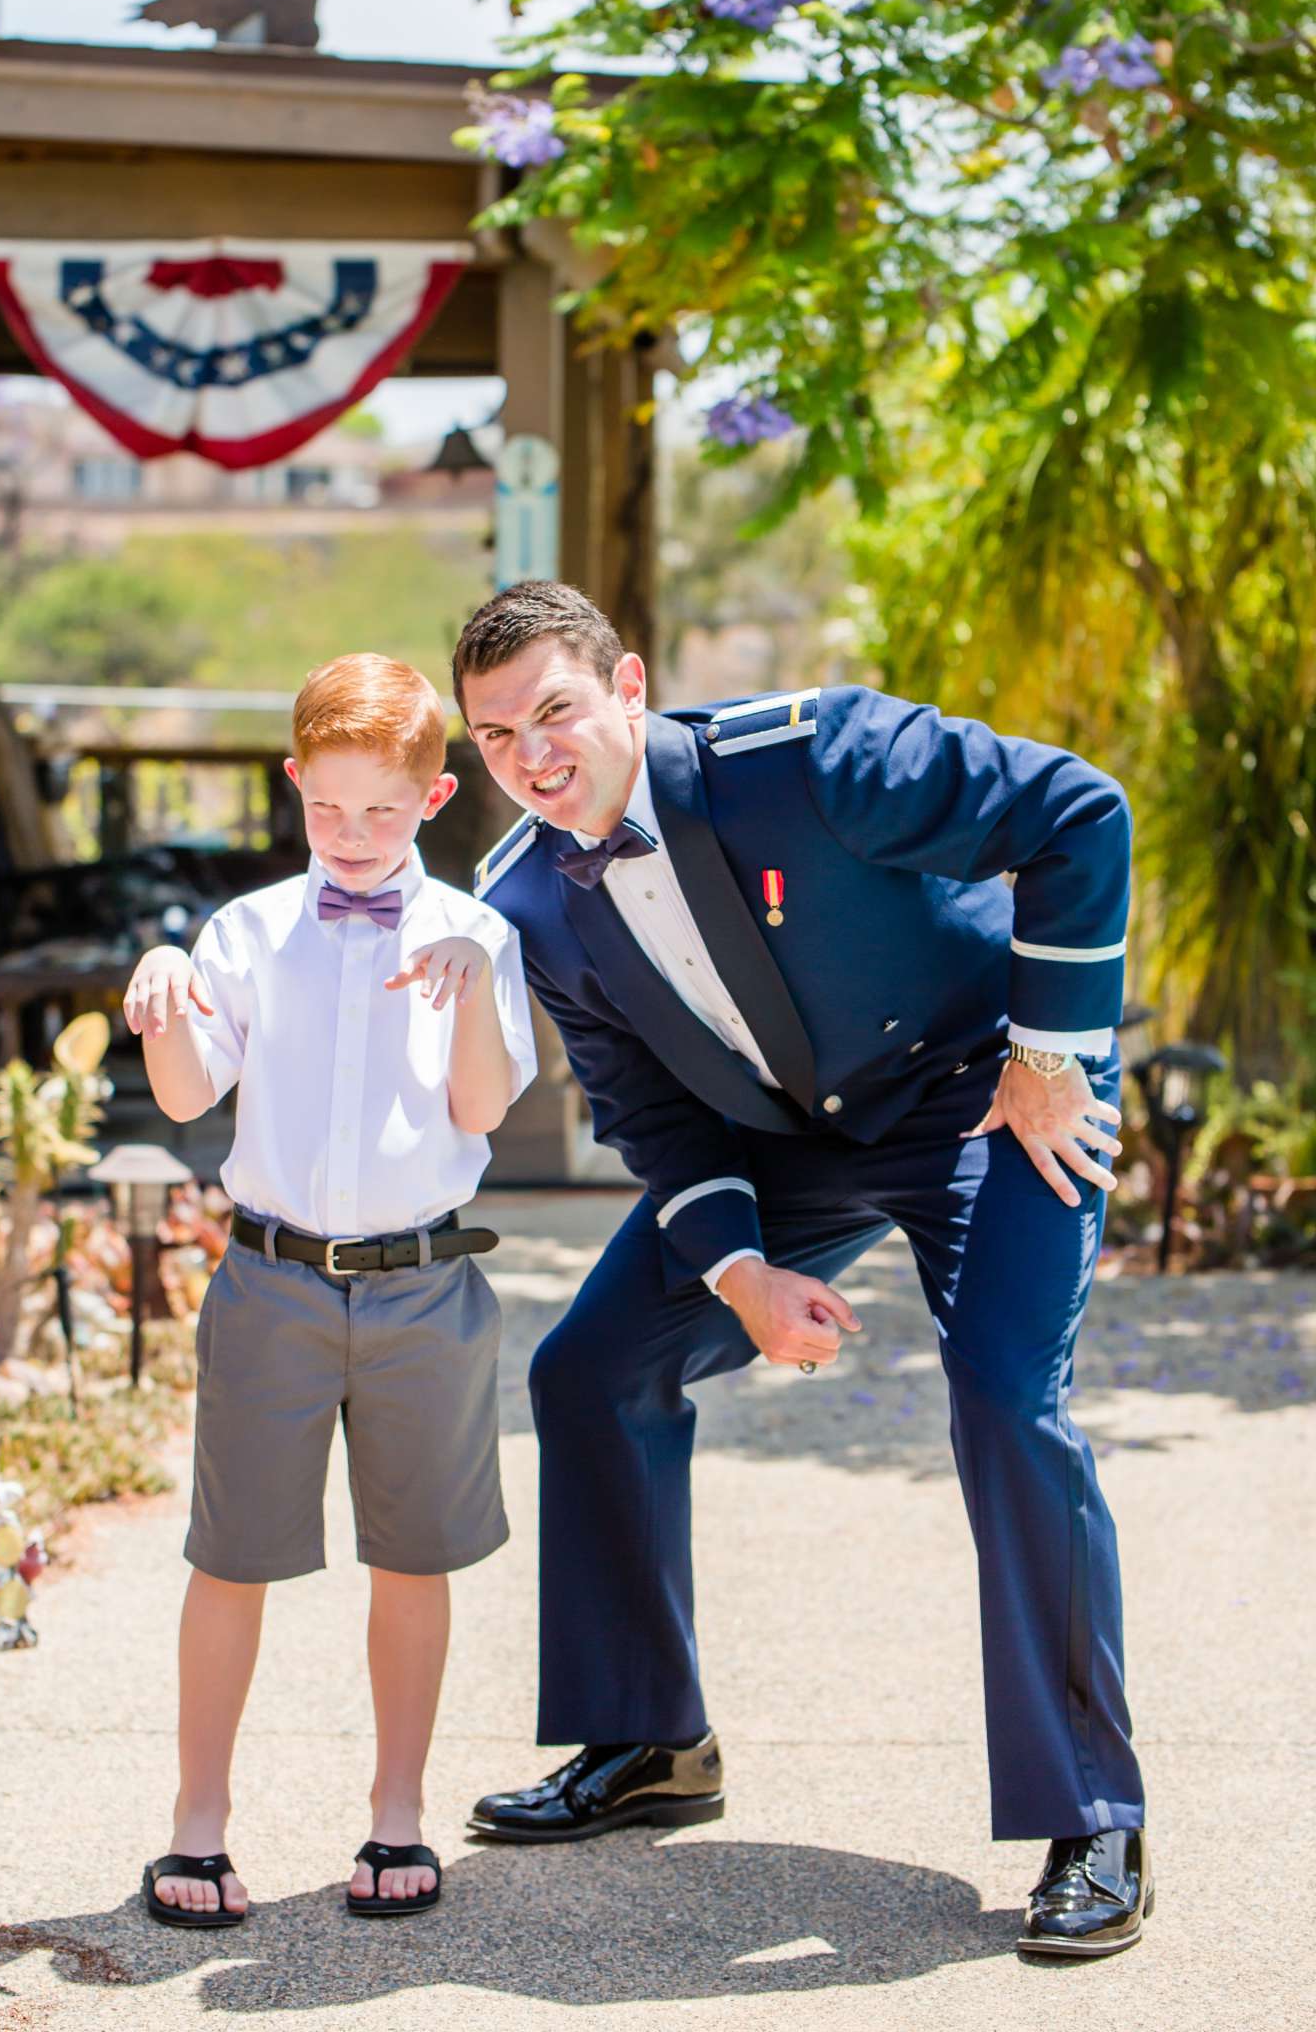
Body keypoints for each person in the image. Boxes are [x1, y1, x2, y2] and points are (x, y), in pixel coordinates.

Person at [452, 581, 1151, 1962]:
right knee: (588, 1370)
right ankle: (651, 1745)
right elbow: (649, 1109)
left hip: (990, 1094)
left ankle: (1097, 1816)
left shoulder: (811, 757)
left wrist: (1049, 1050)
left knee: (1008, 1397)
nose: (533, 757)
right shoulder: (528, 897)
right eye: (493, 736)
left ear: (629, 685)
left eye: (555, 711)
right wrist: (742, 1277)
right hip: (793, 1136)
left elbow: (1079, 813)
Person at [123, 652, 536, 1926]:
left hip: (423, 1290)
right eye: (327, 809)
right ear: (294, 783)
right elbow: (191, 1094)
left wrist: (468, 1000)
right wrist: (159, 1001)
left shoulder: (480, 933)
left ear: (434, 795)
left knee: (413, 1560)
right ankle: (198, 1827)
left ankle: (396, 1814)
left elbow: (480, 1108)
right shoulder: (245, 931)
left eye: (382, 811)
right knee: (230, 1556)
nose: (353, 839)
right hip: (272, 1282)